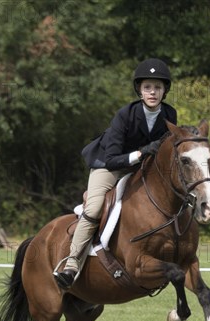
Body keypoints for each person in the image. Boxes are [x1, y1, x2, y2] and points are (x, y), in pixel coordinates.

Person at [53, 58, 178, 290]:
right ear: (139, 90)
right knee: (94, 207)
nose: (152, 92)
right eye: (147, 87)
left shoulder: (170, 114)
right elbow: (112, 160)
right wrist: (140, 154)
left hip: (142, 167)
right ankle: (71, 265)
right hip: (109, 164)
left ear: (164, 91)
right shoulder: (125, 115)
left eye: (157, 87)